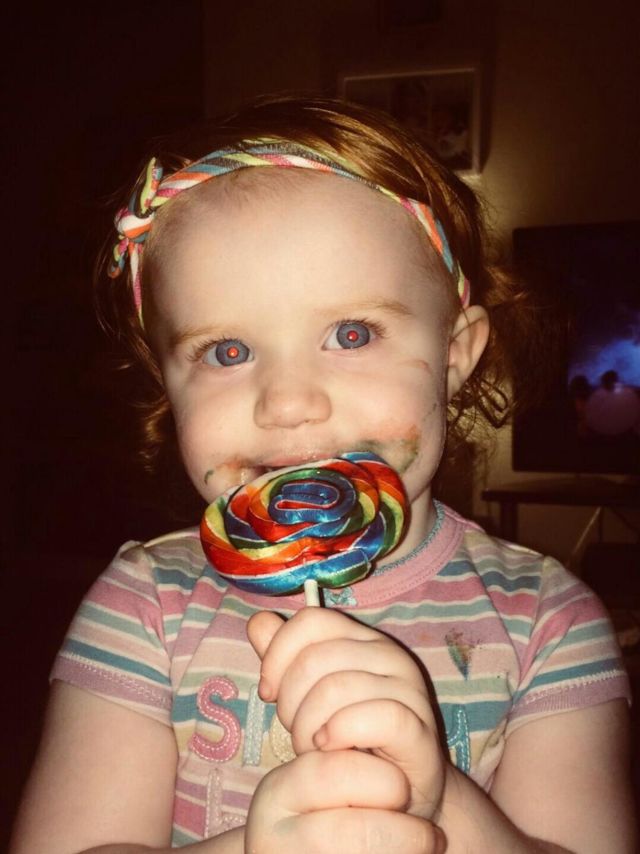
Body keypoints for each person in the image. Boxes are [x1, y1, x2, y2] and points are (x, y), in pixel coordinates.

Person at [10, 96, 636, 854]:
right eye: (228, 352)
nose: (288, 403)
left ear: (455, 354)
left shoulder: (549, 623)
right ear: (166, 386)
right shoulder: (143, 609)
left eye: (352, 333)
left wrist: (436, 798)